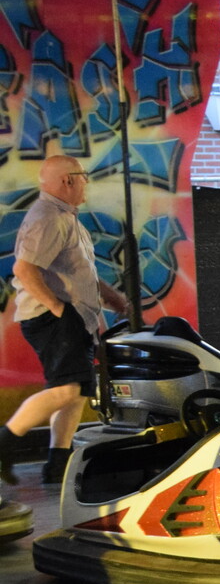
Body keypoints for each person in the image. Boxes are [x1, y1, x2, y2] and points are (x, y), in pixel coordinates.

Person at [0, 155, 128, 486]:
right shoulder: (48, 218)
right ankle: (4, 443)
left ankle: (58, 464)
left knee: (76, 391)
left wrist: (111, 297)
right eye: (83, 176)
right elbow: (24, 269)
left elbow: (78, 271)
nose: (87, 182)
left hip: (71, 317)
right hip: (54, 319)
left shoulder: (65, 218)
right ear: (67, 180)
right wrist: (57, 308)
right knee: (65, 390)